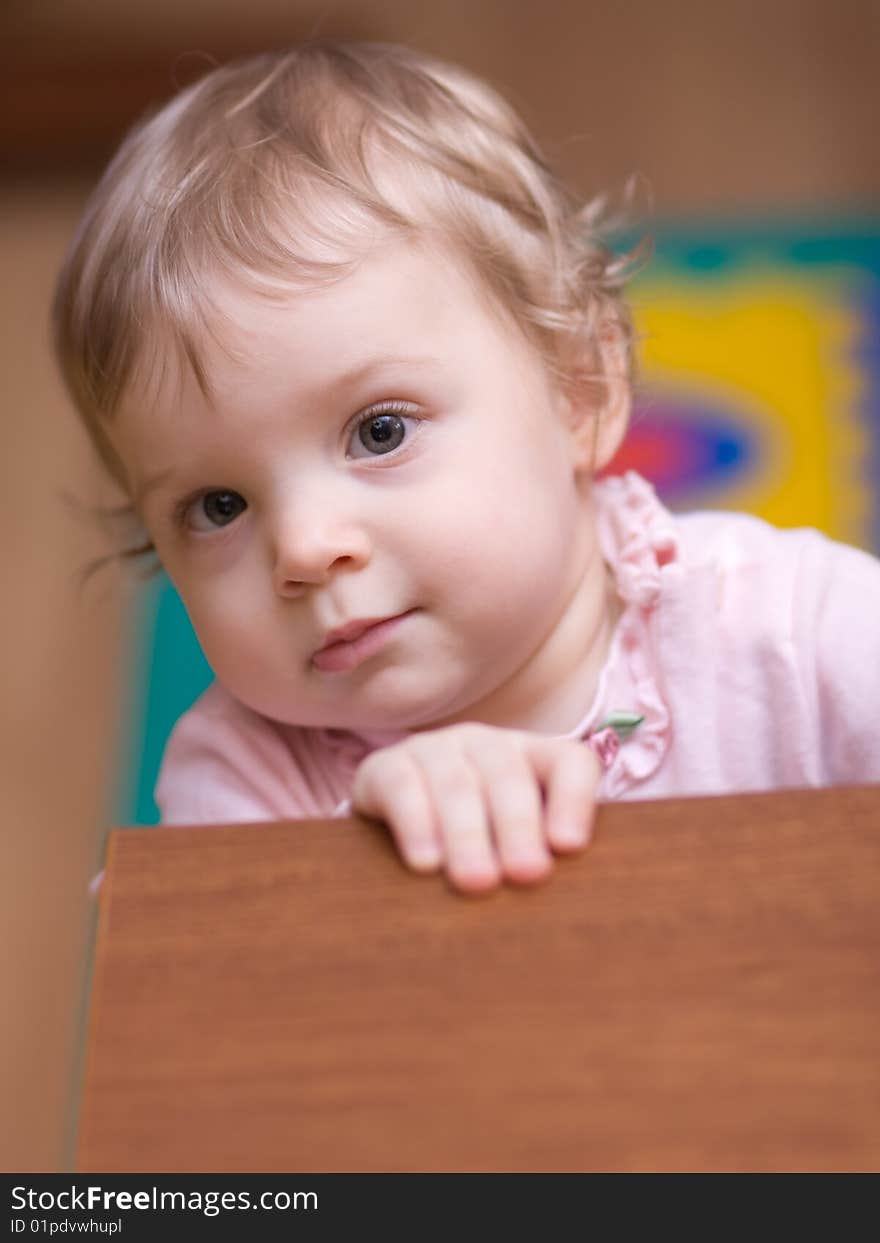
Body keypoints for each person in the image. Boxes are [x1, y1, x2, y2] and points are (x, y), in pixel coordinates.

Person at [53, 41, 880, 895]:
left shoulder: (782, 627)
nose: (302, 548)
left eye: (378, 432)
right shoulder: (247, 780)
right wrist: (356, 865)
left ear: (579, 391)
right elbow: (190, 1003)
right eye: (220, 504)